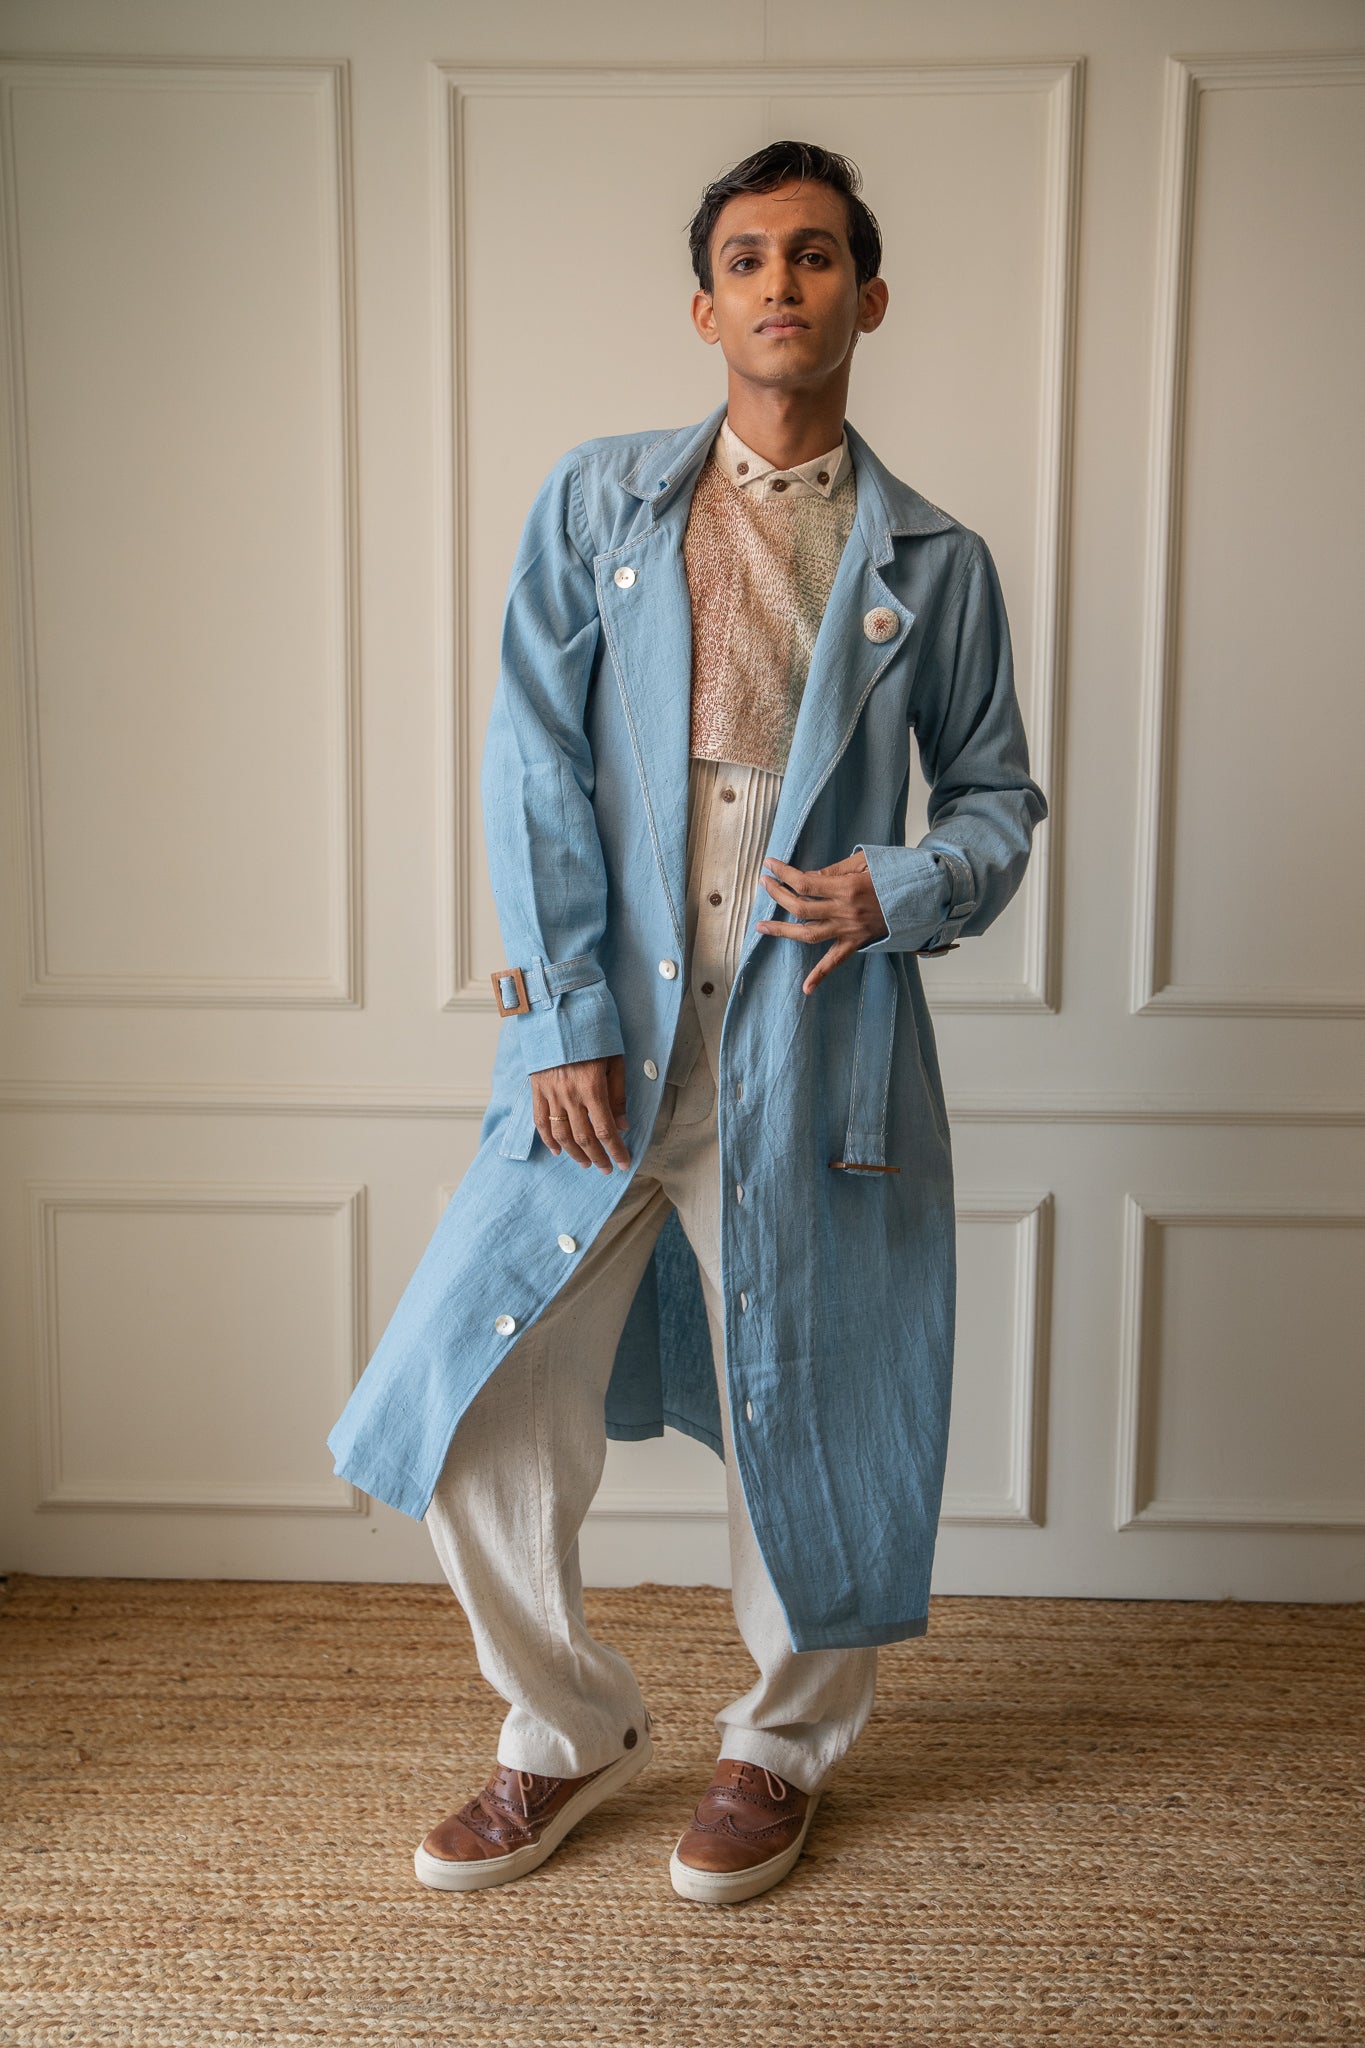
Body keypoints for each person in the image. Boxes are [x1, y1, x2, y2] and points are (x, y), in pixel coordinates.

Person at [327, 139, 1048, 1906]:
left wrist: (904, 883)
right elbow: (532, 763)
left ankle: (775, 1751)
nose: (779, 282)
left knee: (819, 1406)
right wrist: (563, 1015)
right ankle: (562, 1728)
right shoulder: (602, 506)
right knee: (470, 1392)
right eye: (745, 258)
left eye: (813, 255)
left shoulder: (936, 558)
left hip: (819, 1031)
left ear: (867, 296)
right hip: (607, 1025)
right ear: (706, 307)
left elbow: (997, 800)